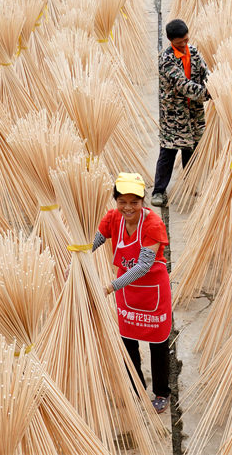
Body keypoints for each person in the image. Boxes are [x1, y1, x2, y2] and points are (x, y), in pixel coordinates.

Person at [92, 172, 173, 413]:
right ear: (115, 201)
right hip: (127, 293)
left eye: (134, 202)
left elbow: (144, 265)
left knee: (158, 343)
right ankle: (135, 387)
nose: (128, 208)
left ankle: (161, 391)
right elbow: (93, 241)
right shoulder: (112, 218)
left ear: (142, 201)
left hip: (152, 292)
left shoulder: (153, 224)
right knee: (128, 340)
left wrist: (110, 286)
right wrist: (77, 259)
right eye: (122, 201)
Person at [152, 18, 210, 207]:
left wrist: (214, 84)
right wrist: (207, 93)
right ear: (171, 41)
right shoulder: (166, 60)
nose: (184, 45)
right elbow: (183, 85)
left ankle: (190, 187)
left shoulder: (193, 52)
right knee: (168, 152)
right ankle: (159, 191)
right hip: (174, 115)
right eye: (180, 43)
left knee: (191, 150)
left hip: (193, 113)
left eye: (186, 40)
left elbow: (205, 73)